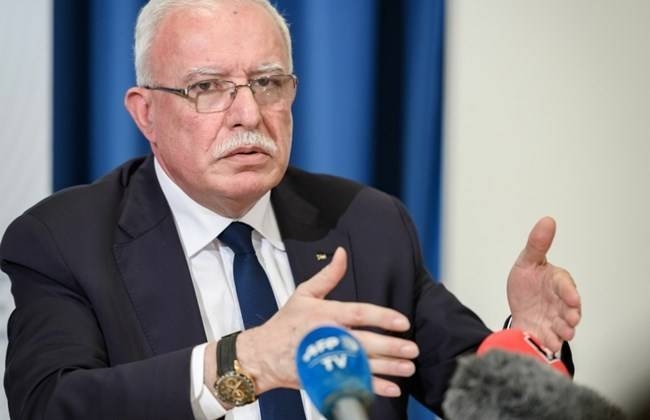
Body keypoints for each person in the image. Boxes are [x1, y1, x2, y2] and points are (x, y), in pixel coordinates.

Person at [0, 0, 581, 419]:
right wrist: (246, 361)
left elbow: (469, 385)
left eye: (268, 83)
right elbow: (50, 406)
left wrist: (531, 343)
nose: (249, 114)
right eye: (208, 87)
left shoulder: (365, 222)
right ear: (145, 112)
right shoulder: (64, 241)